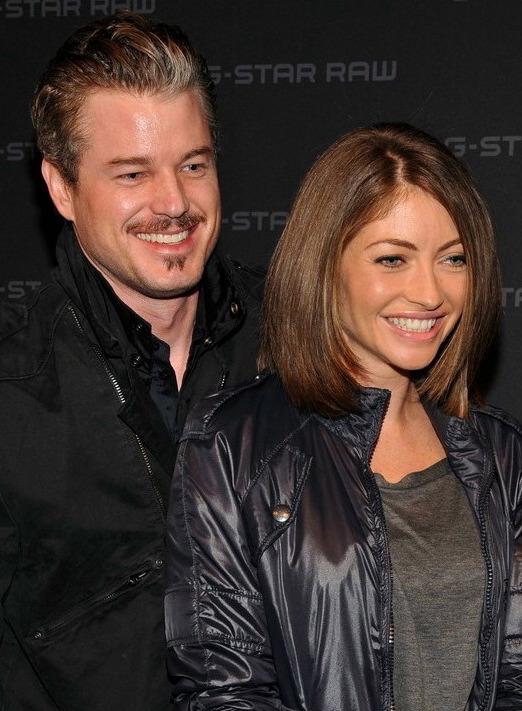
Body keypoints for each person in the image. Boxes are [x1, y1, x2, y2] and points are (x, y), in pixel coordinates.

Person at [165, 123, 522, 710]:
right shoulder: (232, 444)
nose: (430, 292)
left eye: (453, 258)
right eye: (393, 259)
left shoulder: (503, 455)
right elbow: (224, 688)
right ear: (326, 265)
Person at [0, 12, 262, 711]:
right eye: (132, 173)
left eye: (193, 165)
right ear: (61, 188)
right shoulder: (13, 393)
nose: (174, 203)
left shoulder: (302, 340)